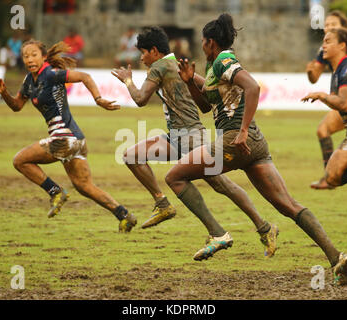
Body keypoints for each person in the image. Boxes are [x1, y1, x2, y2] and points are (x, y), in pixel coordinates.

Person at [170, 13, 347, 285]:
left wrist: (242, 131)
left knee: (174, 177)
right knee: (288, 205)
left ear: (210, 42)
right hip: (253, 144)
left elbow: (253, 86)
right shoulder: (214, 67)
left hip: (235, 140)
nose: (202, 46)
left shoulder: (223, 60)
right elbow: (207, 107)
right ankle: (336, 258)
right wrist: (188, 81)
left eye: (203, 42)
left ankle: (217, 232)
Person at [111, 27, 279, 258]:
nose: (141, 58)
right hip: (180, 136)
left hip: (189, 138)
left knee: (222, 184)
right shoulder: (176, 65)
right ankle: (164, 205)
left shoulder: (159, 66)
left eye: (143, 52)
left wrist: (128, 81)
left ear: (154, 51)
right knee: (132, 155)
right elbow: (205, 88)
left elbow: (140, 99)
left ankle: (241, 230)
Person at [0, 39, 137, 233]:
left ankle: (55, 191)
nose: (29, 59)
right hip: (76, 140)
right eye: (26, 56)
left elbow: (84, 76)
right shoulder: (28, 81)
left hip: (65, 139)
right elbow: (17, 106)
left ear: (43, 57)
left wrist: (98, 99)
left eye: (34, 55)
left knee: (20, 161)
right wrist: (5, 94)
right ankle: (124, 215)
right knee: (84, 186)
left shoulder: (51, 74)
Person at [302, 28, 347, 203]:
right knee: (332, 177)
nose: (323, 46)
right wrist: (324, 97)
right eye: (323, 42)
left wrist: (322, 95)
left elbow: (344, 104)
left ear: (342, 46)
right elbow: (340, 105)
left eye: (328, 42)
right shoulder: (338, 71)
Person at [306, 11, 347, 189]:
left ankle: (333, 177)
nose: (329, 27)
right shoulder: (326, 47)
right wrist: (310, 71)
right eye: (327, 25)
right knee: (323, 130)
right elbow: (314, 76)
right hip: (344, 101)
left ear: (344, 28)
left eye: (334, 24)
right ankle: (330, 177)